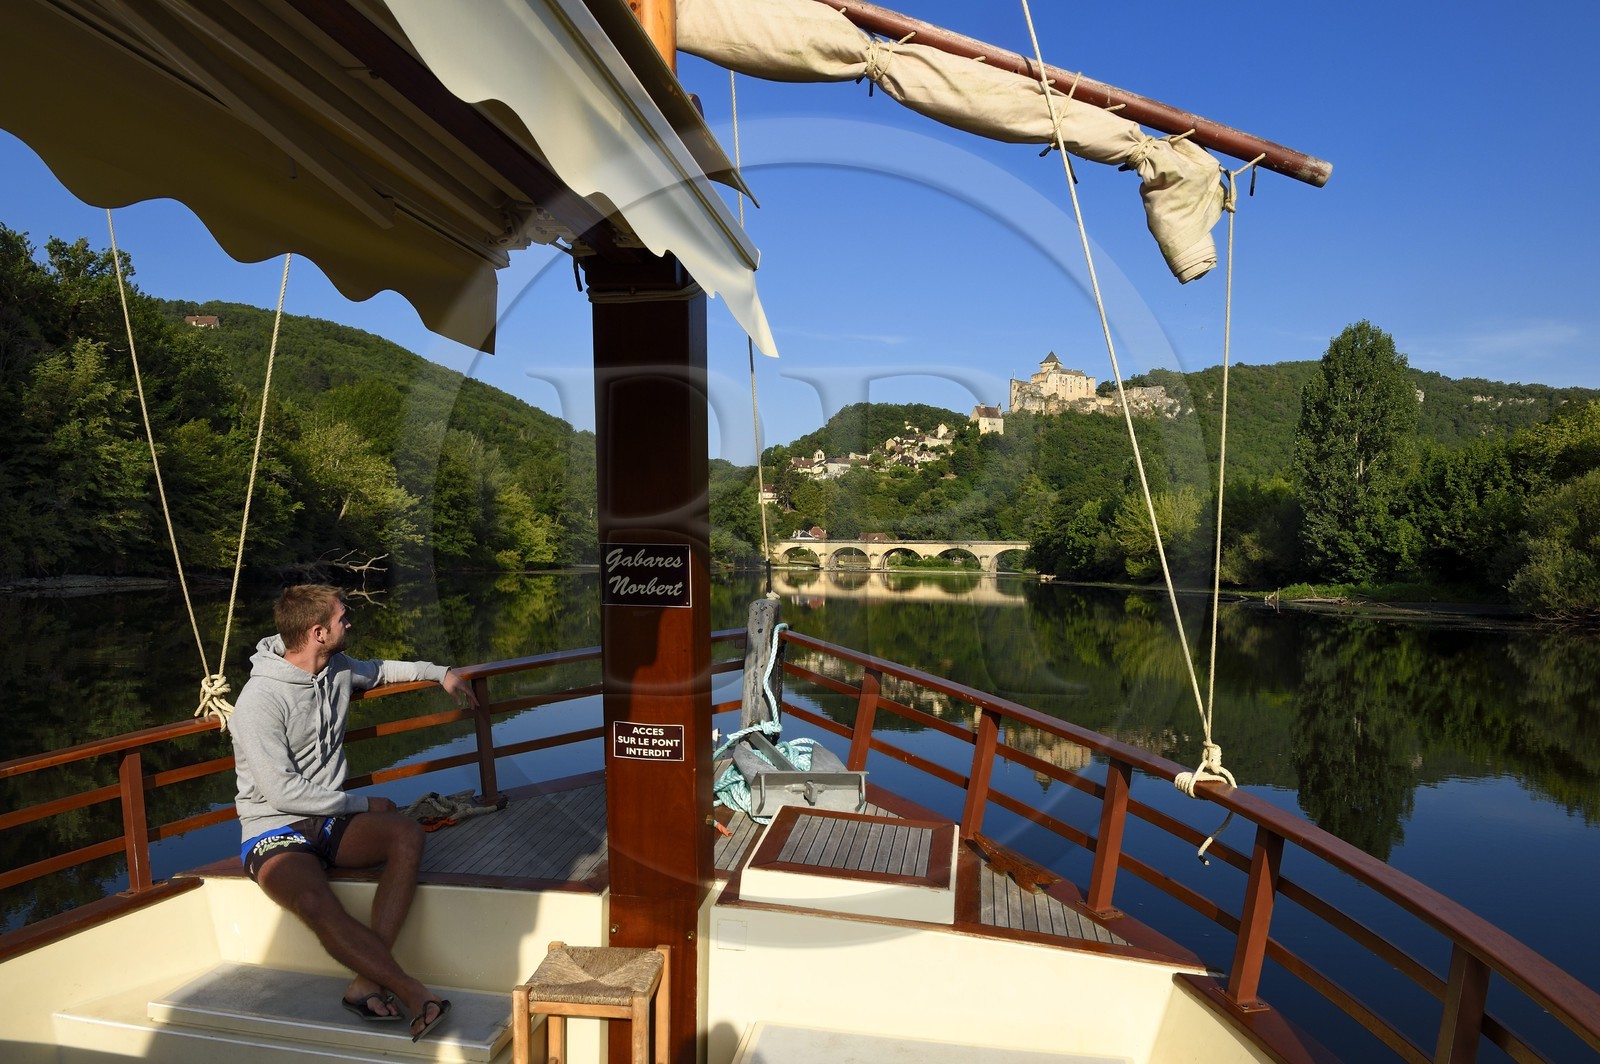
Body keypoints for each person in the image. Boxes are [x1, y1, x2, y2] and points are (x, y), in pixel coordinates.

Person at [229, 584, 477, 1043]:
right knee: (314, 901)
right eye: (344, 617)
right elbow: (280, 791)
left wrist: (440, 672)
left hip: (326, 819)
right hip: (273, 827)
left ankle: (365, 983)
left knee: (405, 833)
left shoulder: (338, 668)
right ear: (318, 632)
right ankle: (413, 992)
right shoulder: (258, 700)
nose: (350, 623)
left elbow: (382, 671)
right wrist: (362, 804)